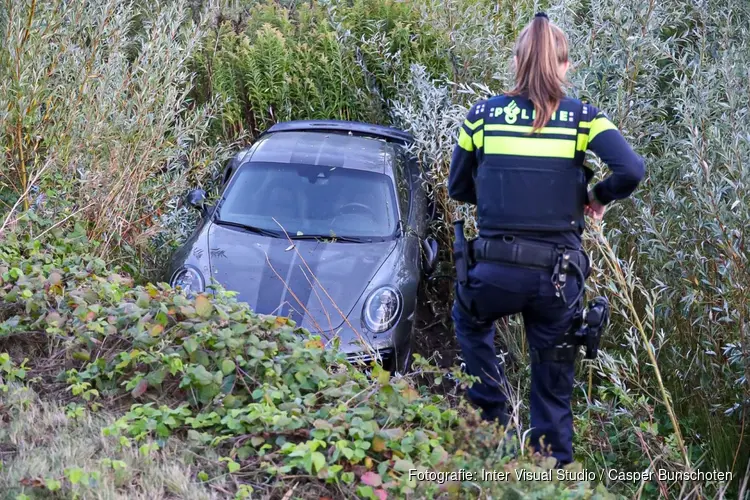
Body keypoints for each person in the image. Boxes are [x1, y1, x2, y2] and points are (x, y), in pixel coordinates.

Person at [447, 12, 645, 467]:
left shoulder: (481, 116)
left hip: (493, 270)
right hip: (558, 277)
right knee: (553, 374)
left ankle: (493, 425)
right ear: (564, 65)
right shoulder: (583, 118)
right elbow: (632, 170)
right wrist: (595, 196)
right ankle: (549, 468)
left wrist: (502, 196)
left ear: (517, 60)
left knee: (470, 321)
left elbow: (459, 188)